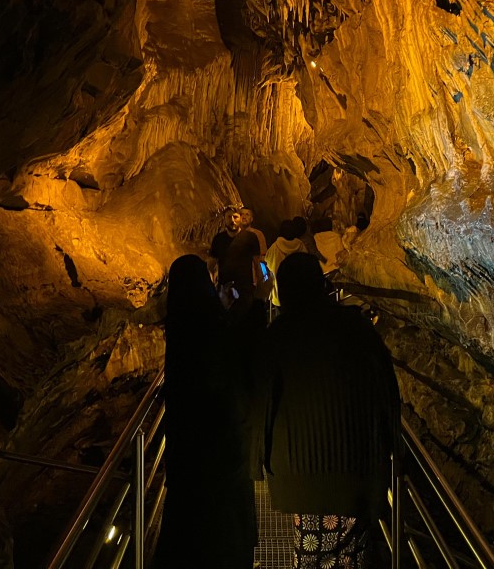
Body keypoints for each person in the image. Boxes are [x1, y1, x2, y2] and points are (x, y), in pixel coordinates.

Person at [257, 253, 400, 569]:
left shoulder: (279, 334)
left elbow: (262, 402)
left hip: (304, 474)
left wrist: (261, 463)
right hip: (359, 468)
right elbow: (386, 388)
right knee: (352, 556)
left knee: (311, 555)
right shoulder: (357, 328)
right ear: (320, 284)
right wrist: (390, 447)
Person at [154, 255, 257, 568]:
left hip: (187, 453)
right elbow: (231, 373)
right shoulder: (215, 325)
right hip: (222, 450)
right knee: (225, 533)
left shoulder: (178, 324)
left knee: (190, 532)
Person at [264, 219, 307, 308]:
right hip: (300, 292)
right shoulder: (301, 245)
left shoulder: (274, 249)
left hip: (280, 294)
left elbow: (267, 269)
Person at [208, 207, 240, 280]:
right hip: (225, 286)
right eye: (229, 217)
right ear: (224, 220)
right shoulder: (218, 240)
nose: (232, 220)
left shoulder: (250, 237)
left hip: (246, 286)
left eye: (235, 217)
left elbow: (257, 263)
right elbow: (210, 265)